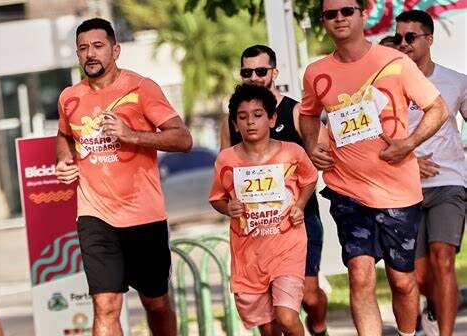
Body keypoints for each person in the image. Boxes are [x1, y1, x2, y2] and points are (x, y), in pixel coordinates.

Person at [298, 0, 449, 335]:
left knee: (403, 281)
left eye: (346, 11)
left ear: (362, 14)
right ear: (323, 21)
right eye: (330, 14)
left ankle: (410, 332)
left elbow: (437, 109)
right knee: (360, 276)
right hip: (347, 190)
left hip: (397, 191)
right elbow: (308, 114)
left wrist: (408, 144)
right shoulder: (316, 72)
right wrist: (312, 146)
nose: (339, 18)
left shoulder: (394, 62)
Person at [55, 18, 192, 336]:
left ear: (115, 50)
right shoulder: (69, 98)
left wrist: (132, 135)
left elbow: (183, 139)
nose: (90, 54)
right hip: (95, 217)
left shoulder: (141, 88)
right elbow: (63, 135)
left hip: (143, 216)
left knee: (156, 304)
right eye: (83, 48)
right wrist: (64, 160)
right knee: (105, 307)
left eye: (98, 46)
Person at [220, 44, 329, 335]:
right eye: (247, 72)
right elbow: (225, 174)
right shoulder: (234, 121)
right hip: (255, 230)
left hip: (299, 220)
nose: (253, 76)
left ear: (274, 72)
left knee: (308, 296)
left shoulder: (294, 111)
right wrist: (232, 205)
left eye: (260, 70)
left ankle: (318, 326)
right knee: (272, 317)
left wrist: (301, 201)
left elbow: (319, 155)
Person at [395, 10, 466, 336]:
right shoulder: (389, 85)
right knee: (420, 277)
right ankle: (434, 306)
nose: (403, 44)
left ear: (429, 39)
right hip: (405, 187)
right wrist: (409, 159)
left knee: (443, 259)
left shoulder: (455, 81)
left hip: (449, 181)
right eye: (399, 38)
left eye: (410, 37)